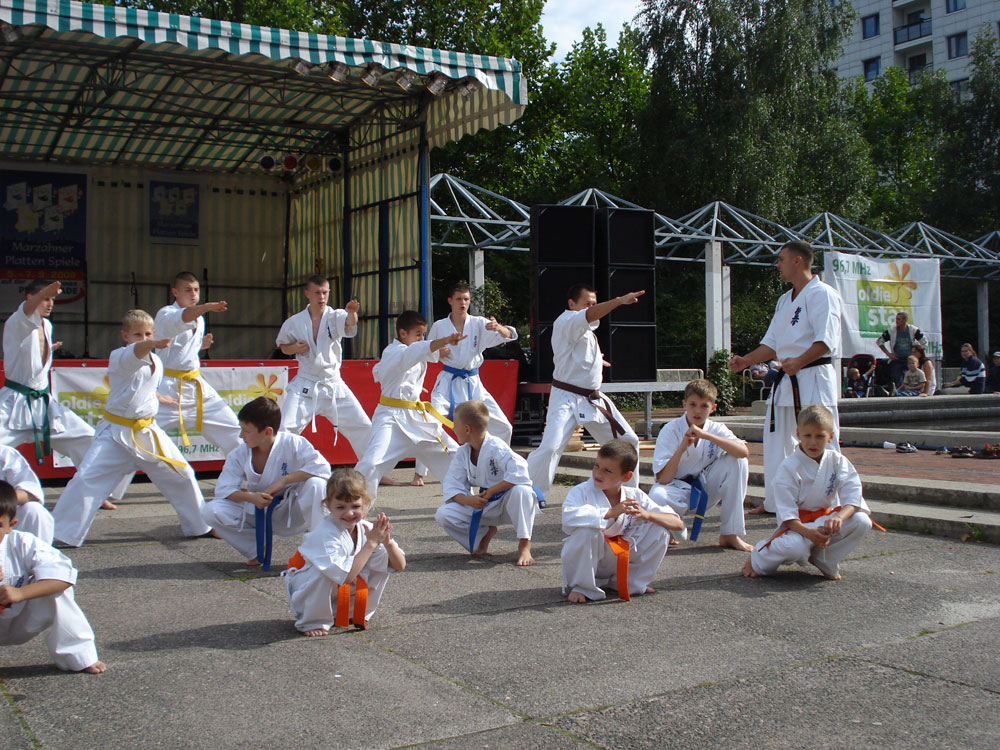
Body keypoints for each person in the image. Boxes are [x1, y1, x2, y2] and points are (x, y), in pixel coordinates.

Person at [51, 310, 213, 547]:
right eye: (137, 334)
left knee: (183, 474)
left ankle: (201, 525)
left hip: (148, 432)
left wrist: (158, 397)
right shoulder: (120, 355)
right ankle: (61, 532)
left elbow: (141, 388)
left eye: (148, 334)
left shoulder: (157, 360)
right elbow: (136, 354)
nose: (143, 338)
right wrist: (150, 344)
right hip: (115, 434)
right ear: (125, 335)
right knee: (86, 479)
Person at [728, 241, 843, 515]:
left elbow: (826, 341)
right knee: (776, 441)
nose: (777, 265)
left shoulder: (823, 294)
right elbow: (772, 344)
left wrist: (800, 361)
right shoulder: (784, 300)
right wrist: (746, 360)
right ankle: (776, 501)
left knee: (822, 437)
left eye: (781, 259)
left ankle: (831, 502)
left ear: (797, 261)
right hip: (786, 379)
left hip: (814, 376)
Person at [0, 280, 125, 510]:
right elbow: (25, 314)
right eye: (45, 299)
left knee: (87, 438)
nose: (49, 303)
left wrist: (50, 349)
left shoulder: (46, 326)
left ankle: (96, 492)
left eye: (52, 299)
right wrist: (40, 296)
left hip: (44, 405)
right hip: (14, 403)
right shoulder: (16, 322)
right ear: (30, 299)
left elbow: (31, 356)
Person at [527, 284, 645, 495]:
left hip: (592, 399)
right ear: (572, 304)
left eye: (593, 303)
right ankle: (529, 493)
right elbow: (590, 315)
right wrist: (619, 301)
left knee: (628, 441)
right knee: (550, 448)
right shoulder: (566, 320)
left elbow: (580, 357)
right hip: (565, 397)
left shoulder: (588, 332)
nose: (591, 307)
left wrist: (597, 361)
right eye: (586, 303)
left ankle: (629, 496)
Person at [741, 405, 875, 581]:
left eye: (820, 436)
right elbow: (787, 515)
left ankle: (825, 559)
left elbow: (853, 496)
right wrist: (809, 533)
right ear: (798, 434)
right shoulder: (788, 467)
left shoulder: (837, 461)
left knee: (862, 521)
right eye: (807, 436)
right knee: (793, 548)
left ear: (831, 436)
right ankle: (759, 557)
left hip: (825, 521)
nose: (813, 442)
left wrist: (838, 518)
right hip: (798, 527)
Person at [202, 397, 332, 567]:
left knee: (317, 484)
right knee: (211, 510)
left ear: (267, 432)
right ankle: (256, 549)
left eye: (246, 431)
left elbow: (322, 468)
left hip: (293, 509)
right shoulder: (239, 454)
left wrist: (284, 480)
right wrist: (251, 497)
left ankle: (320, 549)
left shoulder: (293, 443)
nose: (241, 436)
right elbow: (223, 489)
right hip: (258, 509)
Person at [411, 284, 519, 486]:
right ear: (450, 301)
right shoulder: (440, 326)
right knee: (431, 422)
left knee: (504, 427)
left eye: (466, 299)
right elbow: (427, 351)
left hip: (473, 383)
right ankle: (419, 473)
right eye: (459, 299)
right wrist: (438, 353)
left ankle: (498, 468)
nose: (463, 303)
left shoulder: (478, 323)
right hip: (448, 382)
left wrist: (499, 328)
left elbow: (509, 335)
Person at [355, 310, 463, 500]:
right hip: (391, 418)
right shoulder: (393, 352)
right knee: (371, 463)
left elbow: (412, 358)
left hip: (417, 419)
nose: (422, 338)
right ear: (403, 333)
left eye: (424, 335)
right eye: (418, 334)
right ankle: (351, 504)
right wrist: (444, 340)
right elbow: (415, 352)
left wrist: (414, 387)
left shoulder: (406, 354)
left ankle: (464, 503)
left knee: (454, 454)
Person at [0, 481, 106, 673]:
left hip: (17, 621)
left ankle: (78, 654)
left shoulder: (22, 542)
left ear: (11, 525)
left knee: (56, 587)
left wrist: (20, 593)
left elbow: (63, 574)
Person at [285, 468, 405, 636]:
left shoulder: (367, 528)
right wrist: (371, 543)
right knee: (322, 572)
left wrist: (387, 543)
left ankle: (350, 611)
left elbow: (399, 565)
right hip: (307, 589)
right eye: (340, 507)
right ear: (328, 505)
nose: (349, 513)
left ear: (366, 504)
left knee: (382, 564)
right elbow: (346, 576)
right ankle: (312, 621)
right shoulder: (324, 534)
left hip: (341, 592)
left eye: (355, 506)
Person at [561, 439, 682, 603]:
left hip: (619, 559)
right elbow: (568, 517)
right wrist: (609, 513)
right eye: (596, 466)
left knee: (660, 529)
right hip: (589, 560)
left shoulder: (635, 496)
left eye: (607, 471)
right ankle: (581, 586)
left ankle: (631, 583)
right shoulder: (581, 491)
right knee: (586, 531)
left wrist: (647, 515)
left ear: (626, 476)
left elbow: (677, 524)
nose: (598, 474)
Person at [647, 379, 752, 552]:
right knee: (657, 494)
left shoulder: (716, 428)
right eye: (693, 404)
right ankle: (673, 526)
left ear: (713, 408)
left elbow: (743, 451)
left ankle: (730, 533)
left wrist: (706, 435)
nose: (697, 411)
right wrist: (682, 448)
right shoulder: (670, 430)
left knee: (738, 461)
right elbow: (664, 479)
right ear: (684, 404)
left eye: (704, 406)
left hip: (706, 488)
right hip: (676, 490)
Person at [275, 275, 371, 456]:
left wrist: (352, 313)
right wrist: (295, 348)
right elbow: (283, 347)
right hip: (305, 384)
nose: (322, 297)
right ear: (307, 294)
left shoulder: (336, 316)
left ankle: (371, 468)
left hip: (333, 384)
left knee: (363, 426)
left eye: (325, 293)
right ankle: (278, 467)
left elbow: (350, 324)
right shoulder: (294, 322)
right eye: (317, 293)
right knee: (285, 429)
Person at [435, 400, 537, 566]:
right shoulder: (462, 453)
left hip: (509, 504)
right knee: (443, 514)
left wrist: (492, 491)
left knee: (523, 491)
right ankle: (484, 534)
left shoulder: (496, 446)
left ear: (467, 429)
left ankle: (524, 544)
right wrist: (469, 500)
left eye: (455, 425)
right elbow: (452, 485)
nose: (453, 428)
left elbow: (520, 472)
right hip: (484, 504)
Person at [154, 271, 240, 453]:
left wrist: (200, 346)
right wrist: (207, 307)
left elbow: (179, 351)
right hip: (167, 389)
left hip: (196, 387)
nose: (193, 294)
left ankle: (243, 469)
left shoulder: (199, 319)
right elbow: (183, 318)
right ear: (175, 292)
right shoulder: (165, 314)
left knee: (235, 433)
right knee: (140, 436)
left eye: (196, 290)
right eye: (188, 290)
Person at [0, 444, 53, 544]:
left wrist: (3, 499)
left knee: (34, 510)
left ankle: (38, 552)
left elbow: (31, 492)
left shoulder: (5, 454)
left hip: (3, 518)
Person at [876, 311, 926, 388]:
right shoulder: (892, 330)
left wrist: (917, 353)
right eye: (896, 319)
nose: (896, 321)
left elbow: (924, 342)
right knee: (896, 378)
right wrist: (888, 353)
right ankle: (899, 392)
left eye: (899, 319)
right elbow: (879, 341)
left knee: (912, 377)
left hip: (910, 359)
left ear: (905, 320)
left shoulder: (913, 330)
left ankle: (912, 391)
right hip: (897, 358)